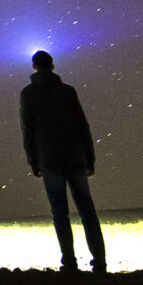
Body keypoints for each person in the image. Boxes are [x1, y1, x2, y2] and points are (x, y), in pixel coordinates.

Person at [19, 49, 106, 272]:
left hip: (49, 160)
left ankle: (69, 262)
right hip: (75, 157)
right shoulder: (68, 92)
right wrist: (90, 158)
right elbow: (82, 125)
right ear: (53, 66)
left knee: (60, 213)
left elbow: (27, 130)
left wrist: (33, 161)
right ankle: (100, 261)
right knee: (88, 211)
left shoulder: (28, 94)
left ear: (34, 67)